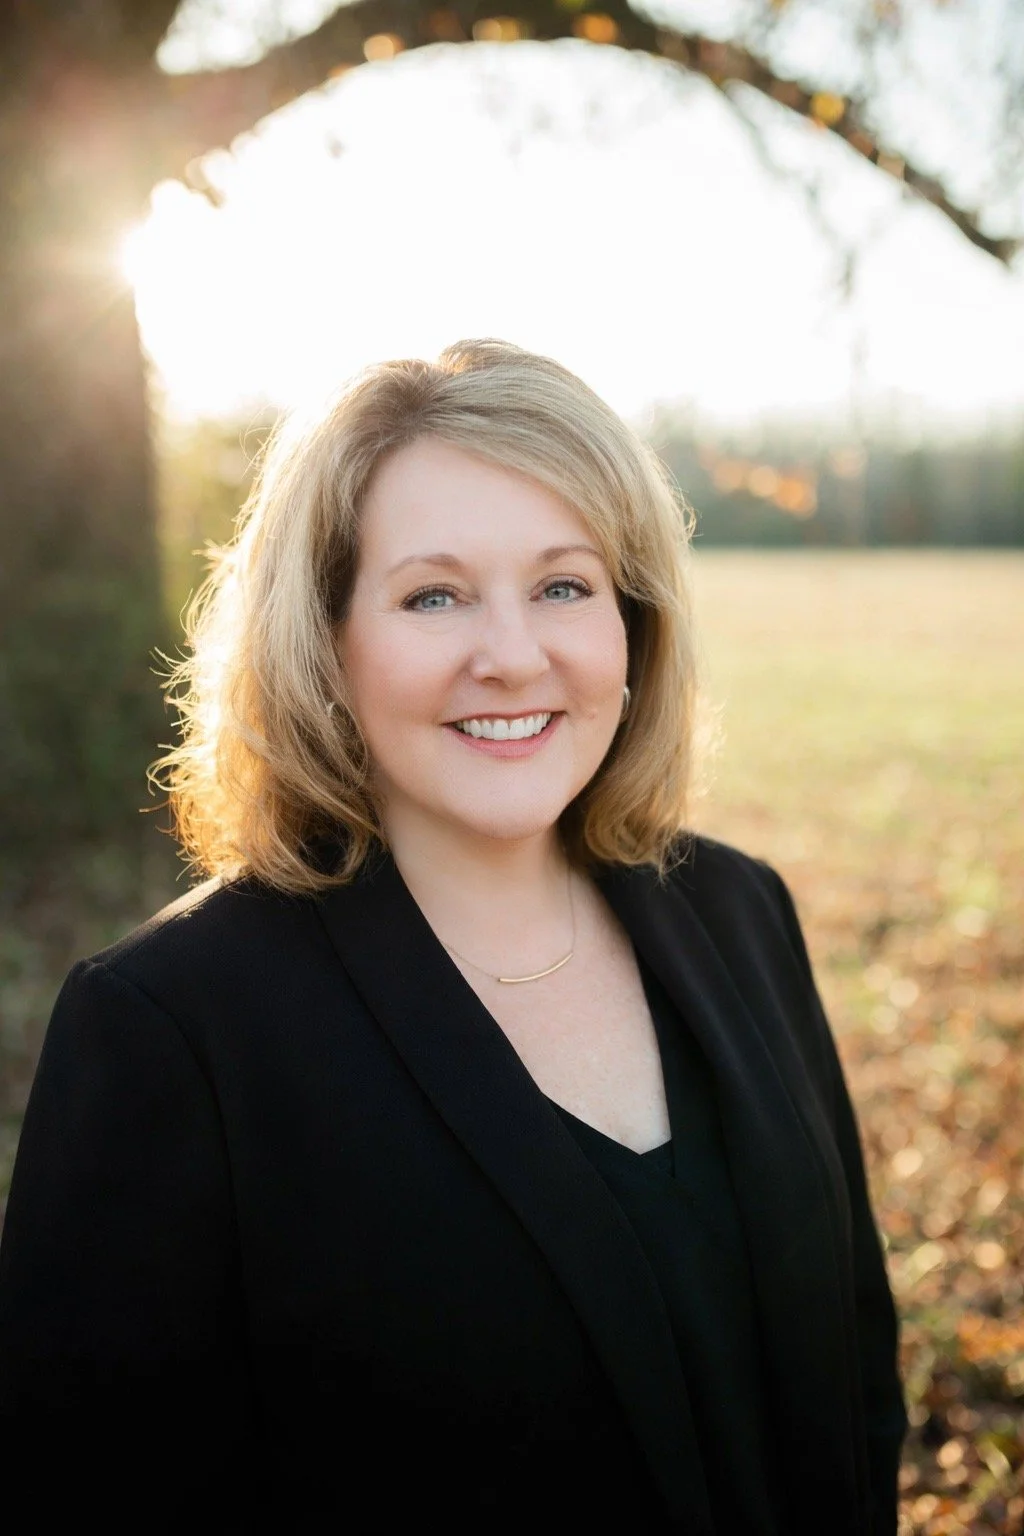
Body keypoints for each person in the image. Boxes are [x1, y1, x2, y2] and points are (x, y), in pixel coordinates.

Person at [0, 339, 906, 1533]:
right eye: (434, 595)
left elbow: (855, 1371)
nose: (513, 654)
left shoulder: (739, 916)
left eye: (564, 585)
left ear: (633, 626)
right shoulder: (173, 1033)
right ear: (324, 641)